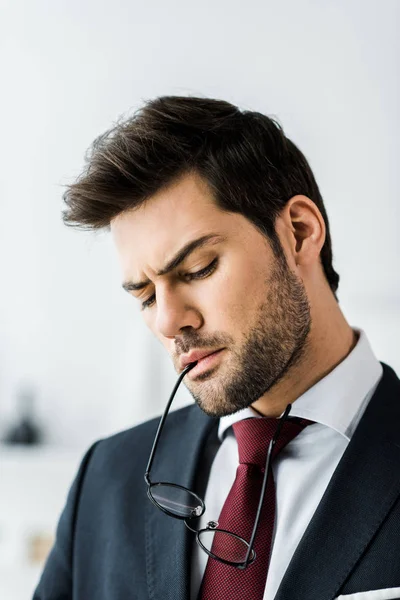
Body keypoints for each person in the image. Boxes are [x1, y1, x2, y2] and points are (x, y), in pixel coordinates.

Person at [34, 96, 400, 600]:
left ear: (299, 232)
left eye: (199, 269)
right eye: (144, 295)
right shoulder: (106, 478)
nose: (167, 320)